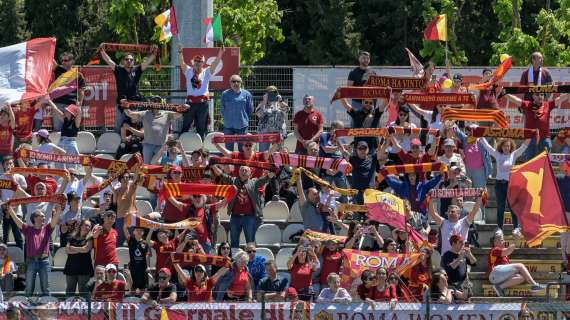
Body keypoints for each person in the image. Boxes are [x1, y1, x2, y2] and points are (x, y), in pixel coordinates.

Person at [212, 165, 274, 249]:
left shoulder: (254, 182)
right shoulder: (233, 181)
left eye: (246, 170)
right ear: (238, 172)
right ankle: (235, 260)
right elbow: (221, 175)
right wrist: (213, 166)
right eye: (242, 170)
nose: (244, 172)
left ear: (250, 173)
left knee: (250, 242)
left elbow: (266, 178)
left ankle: (250, 260)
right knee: (234, 242)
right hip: (235, 217)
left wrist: (274, 171)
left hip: (249, 217)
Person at [98, 45, 157, 132]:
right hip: (122, 104)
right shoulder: (118, 70)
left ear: (133, 61)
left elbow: (148, 61)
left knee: (138, 127)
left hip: (135, 105)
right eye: (127, 59)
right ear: (123, 61)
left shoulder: (137, 70)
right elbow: (108, 60)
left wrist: (154, 53)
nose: (129, 61)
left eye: (131, 59)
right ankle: (119, 144)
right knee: (118, 128)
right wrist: (102, 50)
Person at [6, 204, 61, 296]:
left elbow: (55, 219)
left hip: (44, 262)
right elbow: (17, 220)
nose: (44, 218)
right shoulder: (28, 229)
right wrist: (10, 209)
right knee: (29, 289)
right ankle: (26, 310)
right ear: (35, 218)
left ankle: (47, 309)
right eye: (42, 216)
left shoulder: (47, 229)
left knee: (46, 289)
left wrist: (59, 210)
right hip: (30, 261)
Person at [480, 137, 531, 233]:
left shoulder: (514, 155)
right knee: (500, 207)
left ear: (511, 147)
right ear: (501, 146)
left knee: (512, 206)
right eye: (504, 146)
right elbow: (487, 147)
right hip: (499, 184)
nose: (506, 148)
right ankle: (499, 228)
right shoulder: (497, 154)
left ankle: (516, 227)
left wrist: (531, 135)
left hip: (510, 184)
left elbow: (524, 147)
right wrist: (480, 136)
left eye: (508, 146)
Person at [504, 93, 569, 161]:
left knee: (544, 162)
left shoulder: (548, 105)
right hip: (530, 139)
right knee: (529, 162)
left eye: (542, 95)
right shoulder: (527, 104)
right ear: (533, 96)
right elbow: (515, 99)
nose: (540, 96)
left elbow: (560, 98)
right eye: (537, 94)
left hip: (544, 139)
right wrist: (503, 93)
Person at [178, 45, 224, 138]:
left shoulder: (206, 72)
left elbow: (215, 63)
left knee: (202, 127)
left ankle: (201, 149)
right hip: (190, 104)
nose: (198, 63)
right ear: (193, 62)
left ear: (203, 63)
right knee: (185, 125)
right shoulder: (188, 71)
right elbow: (182, 63)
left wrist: (221, 53)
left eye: (200, 61)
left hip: (202, 104)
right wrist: (180, 52)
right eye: (196, 61)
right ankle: (181, 144)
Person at [122, 98, 185, 164]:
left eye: (158, 101)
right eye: (154, 101)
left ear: (161, 103)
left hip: (162, 146)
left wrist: (183, 108)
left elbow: (179, 114)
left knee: (159, 164)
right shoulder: (145, 113)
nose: (156, 103)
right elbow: (129, 114)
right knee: (146, 166)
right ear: (150, 103)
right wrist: (125, 106)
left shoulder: (167, 114)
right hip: (148, 145)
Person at [488, 231, 545, 297]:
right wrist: (516, 240)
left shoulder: (503, 253)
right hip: (494, 273)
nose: (504, 241)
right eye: (501, 240)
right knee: (520, 266)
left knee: (522, 277)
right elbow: (508, 251)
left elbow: (507, 252)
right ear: (495, 242)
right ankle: (535, 285)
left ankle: (499, 287)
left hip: (498, 277)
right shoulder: (495, 249)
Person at [338, 140, 383, 205]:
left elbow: (383, 148)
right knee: (357, 214)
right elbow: (342, 150)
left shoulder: (373, 158)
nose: (362, 150)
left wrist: (388, 137)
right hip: (356, 194)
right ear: (356, 150)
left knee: (369, 214)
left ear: (368, 149)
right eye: (360, 148)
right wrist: (337, 139)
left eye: (364, 148)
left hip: (370, 193)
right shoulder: (352, 159)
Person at [220, 74, 254, 151]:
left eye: (238, 81)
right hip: (228, 126)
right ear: (230, 83)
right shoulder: (225, 94)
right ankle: (229, 163)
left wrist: (244, 119)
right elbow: (222, 109)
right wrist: (227, 118)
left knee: (242, 149)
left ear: (241, 83)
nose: (236, 83)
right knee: (228, 149)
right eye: (233, 81)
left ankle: (241, 163)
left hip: (242, 125)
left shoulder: (247, 94)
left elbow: (250, 109)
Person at [64, 219, 94, 297]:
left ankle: (85, 309)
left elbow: (86, 249)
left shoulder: (90, 238)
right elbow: (67, 250)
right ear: (81, 226)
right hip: (71, 267)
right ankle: (68, 308)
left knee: (83, 291)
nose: (87, 227)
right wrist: (80, 249)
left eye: (89, 226)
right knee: (70, 290)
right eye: (85, 225)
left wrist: (73, 247)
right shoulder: (71, 237)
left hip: (84, 268)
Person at [1, 157, 26, 249]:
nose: (9, 165)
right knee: (4, 237)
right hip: (5, 211)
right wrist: (5, 208)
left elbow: (22, 193)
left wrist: (12, 177)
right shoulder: (0, 178)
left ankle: (22, 259)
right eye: (7, 164)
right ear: (3, 166)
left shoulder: (20, 177)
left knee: (18, 236)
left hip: (17, 211)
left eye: (11, 163)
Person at [256, 85, 289, 152]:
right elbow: (259, 114)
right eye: (269, 92)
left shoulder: (280, 103)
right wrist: (264, 102)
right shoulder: (262, 104)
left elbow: (287, 110)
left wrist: (280, 101)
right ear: (266, 94)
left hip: (278, 132)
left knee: (278, 153)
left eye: (274, 92)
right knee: (263, 152)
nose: (271, 94)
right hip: (264, 132)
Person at [122, 223, 151, 293]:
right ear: (133, 232)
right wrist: (126, 223)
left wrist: (148, 266)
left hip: (142, 269)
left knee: (143, 290)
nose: (139, 232)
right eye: (137, 230)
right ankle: (132, 301)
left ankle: (142, 302)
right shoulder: (131, 240)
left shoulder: (145, 243)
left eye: (141, 230)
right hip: (133, 268)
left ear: (143, 232)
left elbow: (147, 255)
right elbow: (125, 229)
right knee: (133, 289)